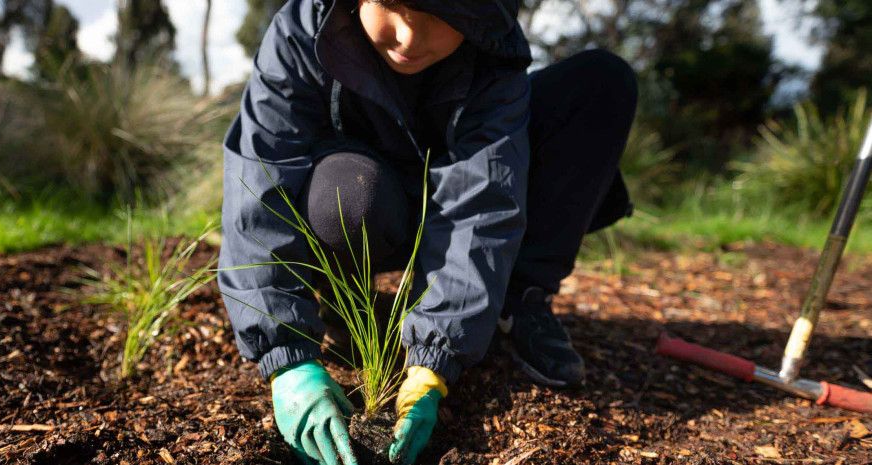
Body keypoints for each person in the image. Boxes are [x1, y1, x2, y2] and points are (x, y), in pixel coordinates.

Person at [217, 0, 638, 463]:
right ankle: (348, 302)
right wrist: (285, 353)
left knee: (602, 80)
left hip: (445, 196)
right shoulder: (303, 32)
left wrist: (436, 357)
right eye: (391, 6)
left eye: (444, 18)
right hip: (368, 198)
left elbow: (482, 198)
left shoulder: (493, 54)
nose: (409, 39)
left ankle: (517, 299)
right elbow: (261, 180)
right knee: (348, 192)